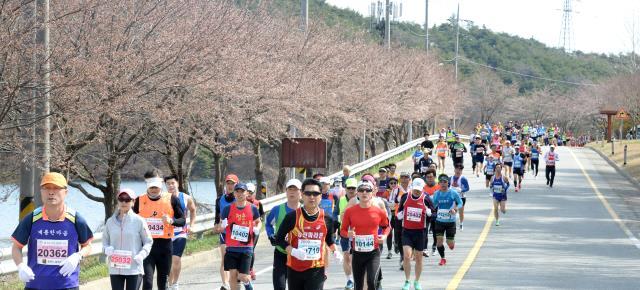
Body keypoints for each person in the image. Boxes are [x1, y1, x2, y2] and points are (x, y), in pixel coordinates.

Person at [12, 172, 94, 290]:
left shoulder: (76, 219)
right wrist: (20, 266)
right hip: (35, 285)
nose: (51, 192)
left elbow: (87, 245)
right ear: (41, 192)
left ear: (66, 192)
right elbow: (16, 247)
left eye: (56, 188)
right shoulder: (31, 218)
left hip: (67, 285)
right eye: (46, 188)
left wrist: (78, 256)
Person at [275, 178, 340, 290]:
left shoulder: (327, 219)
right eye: (308, 193)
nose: (312, 197)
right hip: (295, 268)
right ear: (302, 195)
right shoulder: (292, 217)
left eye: (315, 193)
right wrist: (293, 251)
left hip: (317, 268)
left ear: (320, 196)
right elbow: (279, 239)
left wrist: (336, 251)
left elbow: (329, 240)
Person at [133, 169, 186, 290]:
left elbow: (182, 220)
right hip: (146, 246)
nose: (154, 190)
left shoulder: (171, 199)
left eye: (156, 187)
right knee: (147, 282)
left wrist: (171, 221)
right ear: (147, 186)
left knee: (163, 283)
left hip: (165, 246)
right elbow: (130, 221)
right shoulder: (139, 200)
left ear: (161, 186)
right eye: (151, 187)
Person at [340, 181, 391, 290]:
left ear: (372, 193)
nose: (364, 193)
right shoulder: (350, 211)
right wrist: (347, 234)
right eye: (361, 190)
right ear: (357, 193)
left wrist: (385, 236)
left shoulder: (378, 211)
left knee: (371, 281)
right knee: (358, 286)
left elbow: (387, 226)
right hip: (357, 253)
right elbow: (342, 230)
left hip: (373, 253)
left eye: (367, 190)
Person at [103, 188, 153, 290]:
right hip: (115, 268)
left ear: (133, 202)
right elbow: (105, 242)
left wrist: (142, 254)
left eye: (127, 199)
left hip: (134, 268)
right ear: (117, 201)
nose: (124, 202)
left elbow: (148, 241)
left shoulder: (139, 221)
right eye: (121, 199)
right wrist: (106, 249)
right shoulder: (110, 222)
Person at [220, 183, 261, 290]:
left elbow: (258, 221)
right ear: (234, 193)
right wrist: (222, 226)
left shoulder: (252, 208)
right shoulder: (227, 209)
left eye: (242, 191)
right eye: (237, 191)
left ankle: (248, 285)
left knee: (243, 276)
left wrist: (257, 228)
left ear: (247, 193)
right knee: (232, 275)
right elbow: (220, 227)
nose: (239, 194)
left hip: (246, 248)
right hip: (232, 248)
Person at [396, 178, 434, 290]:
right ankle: (407, 281)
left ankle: (417, 281)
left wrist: (430, 213)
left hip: (420, 233)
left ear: (422, 189)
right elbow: (399, 210)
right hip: (407, 231)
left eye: (419, 190)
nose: (416, 192)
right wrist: (400, 215)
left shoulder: (426, 198)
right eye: (415, 189)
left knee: (418, 258)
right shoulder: (405, 197)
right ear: (411, 188)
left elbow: (434, 212)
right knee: (407, 256)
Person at [265, 179, 302, 290]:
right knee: (279, 286)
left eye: (295, 190)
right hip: (281, 253)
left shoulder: (305, 211)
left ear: (300, 193)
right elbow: (267, 224)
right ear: (285, 191)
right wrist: (271, 235)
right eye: (289, 189)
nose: (292, 192)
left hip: (298, 254)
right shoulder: (277, 209)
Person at [166, 176, 196, 290]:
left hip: (180, 233)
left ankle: (175, 283)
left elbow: (193, 210)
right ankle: (168, 284)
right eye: (168, 184)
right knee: (169, 261)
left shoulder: (186, 197)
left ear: (177, 183)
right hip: (167, 234)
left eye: (173, 183)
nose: (171, 186)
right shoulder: (163, 198)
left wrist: (192, 225)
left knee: (176, 259)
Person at [432, 174, 463, 266]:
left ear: (448, 183)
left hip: (450, 222)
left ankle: (451, 243)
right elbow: (433, 205)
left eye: (445, 182)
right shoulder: (436, 194)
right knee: (439, 242)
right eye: (441, 182)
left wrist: (455, 209)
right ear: (438, 183)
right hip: (439, 221)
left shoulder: (453, 193)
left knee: (450, 244)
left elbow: (460, 203)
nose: (443, 184)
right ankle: (443, 258)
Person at [214, 174, 238, 290]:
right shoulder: (219, 200)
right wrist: (217, 226)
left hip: (238, 234)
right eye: (228, 183)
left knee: (236, 259)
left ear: (236, 185)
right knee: (225, 257)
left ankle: (235, 281)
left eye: (232, 183)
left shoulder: (240, 198)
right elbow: (217, 218)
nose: (230, 186)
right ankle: (225, 284)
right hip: (224, 233)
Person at [336, 178, 358, 289]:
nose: (351, 190)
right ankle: (349, 280)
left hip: (357, 233)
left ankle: (357, 278)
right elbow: (335, 214)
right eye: (349, 188)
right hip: (344, 231)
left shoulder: (360, 200)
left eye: (353, 188)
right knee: (346, 257)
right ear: (345, 188)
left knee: (354, 258)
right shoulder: (341, 200)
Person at [389, 173, 411, 269]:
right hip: (399, 217)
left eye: (406, 177)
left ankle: (405, 257)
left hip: (411, 217)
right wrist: (396, 203)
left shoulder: (413, 188)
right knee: (399, 235)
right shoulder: (396, 190)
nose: (404, 179)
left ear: (409, 179)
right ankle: (402, 254)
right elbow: (390, 203)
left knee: (407, 236)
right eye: (402, 177)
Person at [245, 183, 265, 281]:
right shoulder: (240, 202)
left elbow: (262, 216)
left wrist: (257, 226)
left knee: (251, 249)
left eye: (250, 192)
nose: (248, 194)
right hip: (243, 230)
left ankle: (250, 269)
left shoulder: (257, 203)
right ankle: (241, 269)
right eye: (247, 192)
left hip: (253, 230)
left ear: (253, 193)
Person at [422, 169, 440, 257]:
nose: (429, 179)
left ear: (435, 177)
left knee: (435, 230)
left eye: (431, 177)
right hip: (425, 213)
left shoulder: (439, 187)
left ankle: (434, 247)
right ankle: (425, 248)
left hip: (436, 212)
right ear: (425, 178)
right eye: (428, 177)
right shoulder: (422, 188)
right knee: (424, 230)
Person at [450, 165, 470, 231]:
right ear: (454, 170)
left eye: (460, 170)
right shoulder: (450, 178)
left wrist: (461, 190)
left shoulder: (463, 179)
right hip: (453, 198)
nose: (458, 171)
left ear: (461, 171)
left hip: (461, 198)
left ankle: (461, 224)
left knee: (461, 212)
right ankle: (453, 224)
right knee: (453, 211)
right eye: (457, 169)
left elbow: (467, 188)